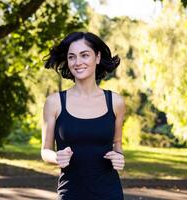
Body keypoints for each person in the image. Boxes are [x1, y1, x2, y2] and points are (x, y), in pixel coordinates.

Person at [41, 32, 126, 200]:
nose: (77, 62)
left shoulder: (116, 102)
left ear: (98, 57)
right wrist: (56, 157)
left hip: (110, 193)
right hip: (71, 193)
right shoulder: (54, 102)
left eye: (84, 55)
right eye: (72, 57)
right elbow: (45, 151)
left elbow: (117, 144)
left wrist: (120, 158)